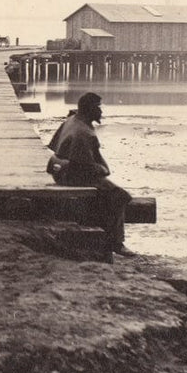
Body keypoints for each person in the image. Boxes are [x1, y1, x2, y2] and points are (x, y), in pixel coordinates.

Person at [47, 92, 135, 256]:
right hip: (71, 174)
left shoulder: (72, 119)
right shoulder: (84, 133)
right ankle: (117, 243)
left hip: (59, 169)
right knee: (120, 196)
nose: (101, 111)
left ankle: (106, 234)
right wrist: (103, 169)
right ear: (89, 110)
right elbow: (85, 167)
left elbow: (55, 147)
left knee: (106, 192)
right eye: (98, 107)